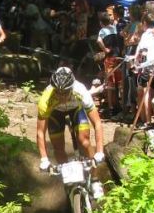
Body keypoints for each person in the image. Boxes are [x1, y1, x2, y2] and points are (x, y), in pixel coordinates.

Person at [36, 66, 105, 200]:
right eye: (58, 92)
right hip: (55, 114)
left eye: (65, 92)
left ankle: (95, 180)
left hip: (76, 110)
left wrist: (100, 151)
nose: (61, 96)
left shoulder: (80, 91)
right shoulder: (46, 98)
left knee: (84, 141)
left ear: (71, 88)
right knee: (58, 147)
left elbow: (97, 123)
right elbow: (40, 132)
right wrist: (44, 159)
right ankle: (68, 182)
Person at [96, 9, 123, 117]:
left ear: (101, 23)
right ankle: (120, 104)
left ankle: (111, 107)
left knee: (110, 82)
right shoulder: (114, 28)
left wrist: (104, 49)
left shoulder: (102, 31)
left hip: (109, 57)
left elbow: (98, 40)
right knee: (119, 81)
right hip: (118, 56)